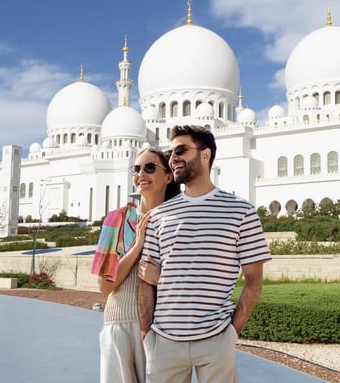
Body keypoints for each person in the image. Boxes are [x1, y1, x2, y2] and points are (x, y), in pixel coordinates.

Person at [138, 125, 272, 383]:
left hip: (216, 340)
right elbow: (146, 280)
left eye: (181, 150)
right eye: (170, 153)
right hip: (163, 342)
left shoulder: (241, 212)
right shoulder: (159, 216)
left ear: (205, 155)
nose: (173, 158)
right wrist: (147, 332)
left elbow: (254, 281)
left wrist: (232, 332)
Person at [91, 147, 180, 383]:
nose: (142, 173)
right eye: (137, 168)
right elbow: (104, 286)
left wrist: (159, 278)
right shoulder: (117, 219)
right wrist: (137, 246)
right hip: (119, 324)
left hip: (162, 326)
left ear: (168, 176)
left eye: (150, 167)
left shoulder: (176, 223)